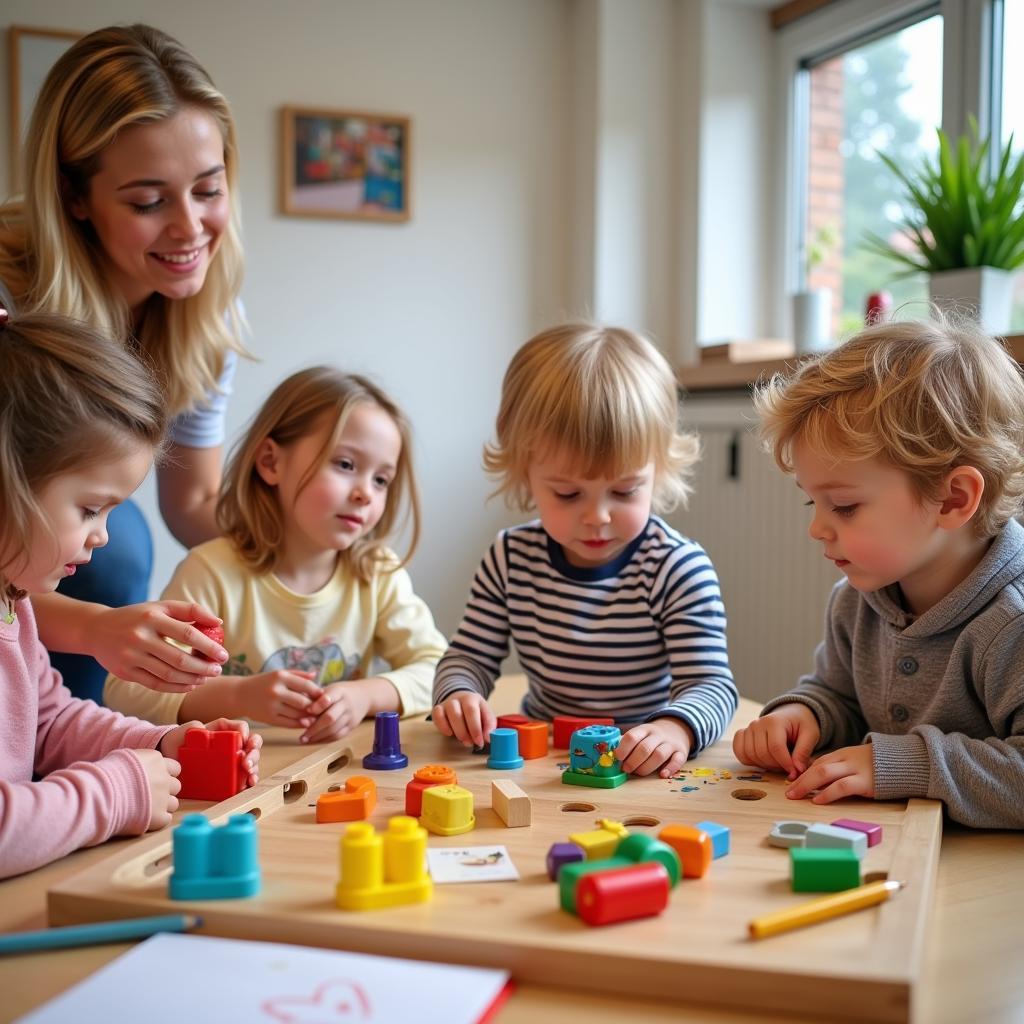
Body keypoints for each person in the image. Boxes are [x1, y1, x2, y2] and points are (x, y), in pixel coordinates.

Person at [0, 24, 248, 701]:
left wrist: (308, 537)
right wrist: (94, 628)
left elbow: (197, 505)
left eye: (208, 188)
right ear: (75, 198)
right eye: (148, 201)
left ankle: (64, 736)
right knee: (120, 552)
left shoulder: (206, 319)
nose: (191, 228)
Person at [732, 313, 1024, 829]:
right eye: (812, 504)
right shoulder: (856, 600)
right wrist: (805, 715)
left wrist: (905, 764)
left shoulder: (1011, 621)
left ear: (953, 499)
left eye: (843, 507)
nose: (818, 529)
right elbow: (839, 695)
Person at [0, 311, 261, 879]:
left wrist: (164, 744)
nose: (103, 535)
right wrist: (114, 793)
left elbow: (49, 724)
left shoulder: (12, 604)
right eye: (90, 508)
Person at [431, 323, 737, 777]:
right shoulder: (510, 558)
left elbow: (710, 685)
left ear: (659, 471)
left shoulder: (676, 567)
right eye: (568, 495)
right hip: (543, 757)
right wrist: (458, 694)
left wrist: (676, 728)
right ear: (525, 475)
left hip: (637, 761)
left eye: (626, 491)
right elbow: (469, 657)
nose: (598, 517)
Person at [105, 368, 446, 742]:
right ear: (270, 462)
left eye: (381, 479)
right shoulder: (211, 572)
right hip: (239, 788)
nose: (366, 492)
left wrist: (366, 696)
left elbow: (441, 669)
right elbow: (126, 691)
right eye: (346, 465)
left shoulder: (377, 575)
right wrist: (239, 696)